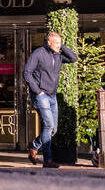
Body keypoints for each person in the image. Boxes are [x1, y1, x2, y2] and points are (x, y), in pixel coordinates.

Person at [23, 30, 77, 169]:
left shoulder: (58, 55)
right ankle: (48, 160)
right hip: (41, 95)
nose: (59, 46)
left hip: (53, 96)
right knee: (48, 126)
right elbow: (27, 72)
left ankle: (34, 146)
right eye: (56, 43)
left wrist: (62, 46)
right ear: (49, 42)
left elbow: (73, 58)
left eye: (60, 43)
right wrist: (37, 91)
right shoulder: (38, 53)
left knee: (53, 129)